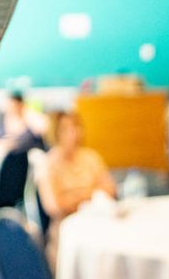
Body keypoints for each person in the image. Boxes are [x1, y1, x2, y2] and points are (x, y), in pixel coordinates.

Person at [37, 111, 116, 268]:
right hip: (66, 235)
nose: (75, 133)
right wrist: (92, 193)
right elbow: (55, 206)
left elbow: (111, 190)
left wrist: (74, 196)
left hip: (98, 226)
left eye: (77, 127)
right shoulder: (48, 164)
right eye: (67, 129)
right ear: (56, 133)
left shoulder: (90, 157)